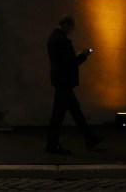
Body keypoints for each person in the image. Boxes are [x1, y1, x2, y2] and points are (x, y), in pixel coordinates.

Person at [45, 14, 102, 154]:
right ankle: (52, 145)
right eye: (71, 27)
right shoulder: (62, 40)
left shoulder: (53, 38)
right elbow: (70, 64)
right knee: (59, 115)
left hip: (59, 79)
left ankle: (89, 138)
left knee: (74, 111)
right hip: (64, 81)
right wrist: (83, 55)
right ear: (65, 25)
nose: (71, 30)